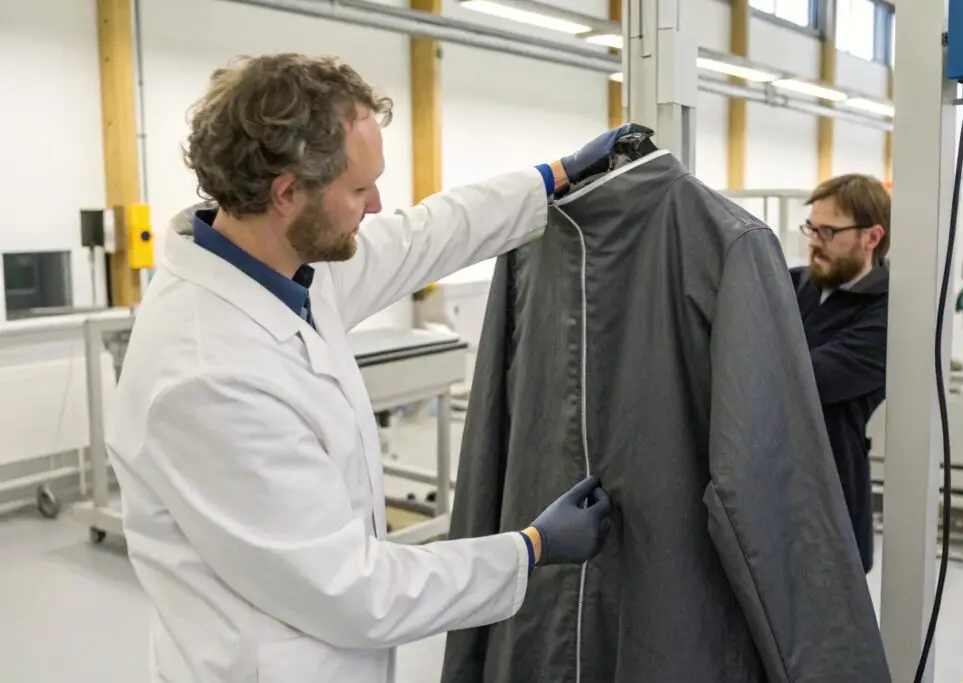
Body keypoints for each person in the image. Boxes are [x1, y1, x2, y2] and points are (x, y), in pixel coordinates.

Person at [106, 53, 636, 683]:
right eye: (359, 189)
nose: (378, 203)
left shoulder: (281, 264)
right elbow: (355, 590)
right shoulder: (206, 378)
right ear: (286, 193)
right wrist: (530, 550)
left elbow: (423, 234)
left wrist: (553, 177)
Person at [791, 173, 890, 573]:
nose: (814, 240)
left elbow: (808, 379)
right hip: (763, 480)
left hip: (830, 494)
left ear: (871, 237)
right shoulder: (793, 283)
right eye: (812, 227)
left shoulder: (890, 311)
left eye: (829, 231)